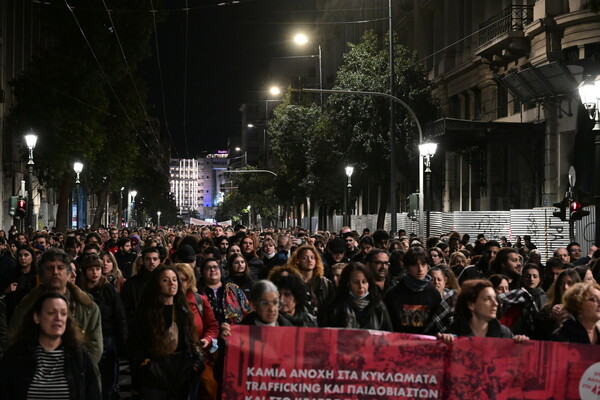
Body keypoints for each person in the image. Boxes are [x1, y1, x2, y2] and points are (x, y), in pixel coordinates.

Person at [9, 248, 103, 366]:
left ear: (69, 274)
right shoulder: (26, 306)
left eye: (60, 268)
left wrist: (76, 371)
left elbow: (95, 347)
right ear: (41, 276)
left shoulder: (87, 307)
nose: (55, 272)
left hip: (78, 375)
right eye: (49, 268)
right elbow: (14, 342)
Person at [0, 293, 101, 399]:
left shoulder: (79, 357)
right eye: (51, 313)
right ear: (37, 317)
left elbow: (92, 394)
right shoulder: (16, 356)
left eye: (63, 313)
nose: (58, 318)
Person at [129, 265, 203, 399]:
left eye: (174, 279)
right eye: (165, 280)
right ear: (157, 284)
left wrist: (196, 365)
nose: (172, 283)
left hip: (181, 372)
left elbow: (192, 340)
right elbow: (135, 345)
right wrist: (146, 366)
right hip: (155, 376)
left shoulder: (184, 311)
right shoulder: (145, 313)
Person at [79, 255, 128, 400]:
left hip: (108, 338)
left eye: (98, 269)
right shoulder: (80, 291)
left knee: (108, 380)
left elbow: (119, 316)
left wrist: (122, 343)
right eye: (91, 269)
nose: (95, 272)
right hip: (87, 339)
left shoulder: (108, 289)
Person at [173, 263, 220, 400]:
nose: (180, 283)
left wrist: (208, 338)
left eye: (184, 279)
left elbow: (212, 326)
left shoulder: (200, 300)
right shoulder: (166, 301)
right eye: (176, 279)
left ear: (190, 280)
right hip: (173, 361)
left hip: (197, 358)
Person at [437, 280, 528, 342]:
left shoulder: (504, 333)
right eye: (487, 299)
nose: (495, 303)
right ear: (471, 305)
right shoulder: (452, 334)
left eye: (495, 298)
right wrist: (442, 344)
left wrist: (519, 345)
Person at [319, 262, 392, 331]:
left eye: (364, 282)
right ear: (347, 283)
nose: (361, 286)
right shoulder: (334, 306)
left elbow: (388, 334)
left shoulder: (378, 306)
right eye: (355, 282)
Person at [384, 247, 441, 334]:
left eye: (423, 264)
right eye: (415, 265)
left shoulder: (434, 294)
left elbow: (437, 326)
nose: (420, 269)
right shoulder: (393, 294)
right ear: (406, 267)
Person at [532, 268, 581, 340]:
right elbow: (539, 338)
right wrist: (556, 324)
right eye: (561, 283)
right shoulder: (546, 311)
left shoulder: (584, 311)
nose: (565, 287)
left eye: (570, 283)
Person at [286, 245, 334, 314]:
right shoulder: (290, 282)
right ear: (298, 261)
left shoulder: (325, 283)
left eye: (312, 257)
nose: (309, 260)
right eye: (305, 258)